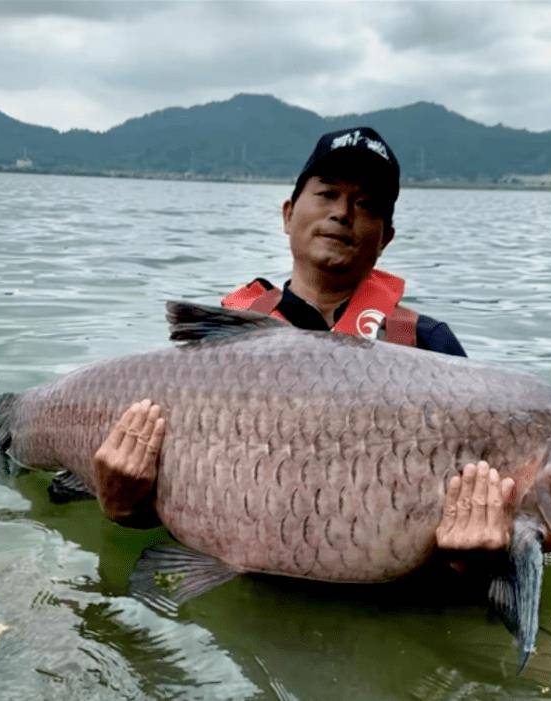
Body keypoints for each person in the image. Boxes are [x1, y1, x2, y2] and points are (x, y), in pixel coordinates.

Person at [91, 127, 516, 558]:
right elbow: (158, 512)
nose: (343, 213)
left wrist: (473, 561)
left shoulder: (429, 346)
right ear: (288, 214)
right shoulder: (214, 350)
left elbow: (478, 529)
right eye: (328, 194)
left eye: (366, 204)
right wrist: (123, 506)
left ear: (385, 237)